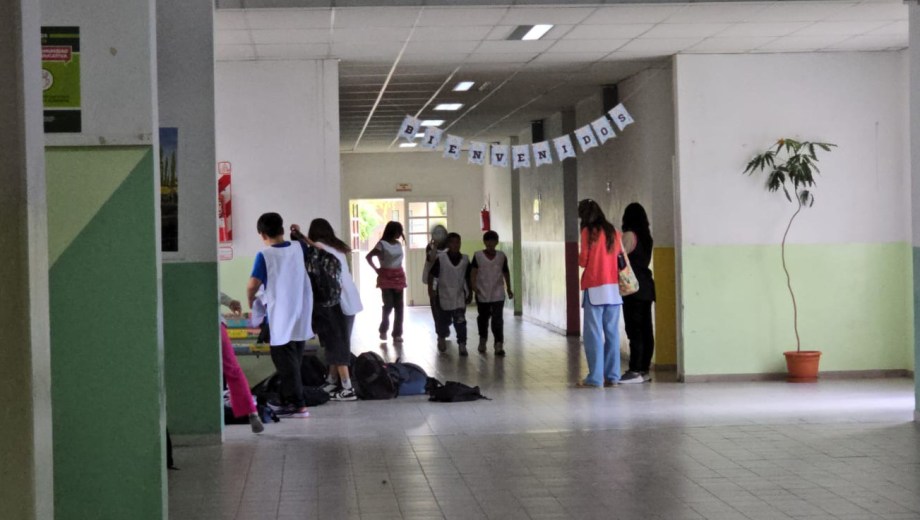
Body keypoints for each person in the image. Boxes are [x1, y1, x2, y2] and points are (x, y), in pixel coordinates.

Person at [247, 212, 313, 418]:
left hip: (280, 314)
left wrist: (251, 302)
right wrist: (298, 233)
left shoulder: (265, 255)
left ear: (262, 233)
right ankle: (288, 400)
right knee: (295, 358)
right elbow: (307, 245)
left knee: (285, 361)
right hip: (301, 311)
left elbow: (253, 285)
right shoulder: (298, 247)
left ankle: (297, 404)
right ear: (282, 230)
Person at [300, 218, 362, 401]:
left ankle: (347, 387)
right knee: (336, 342)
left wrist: (300, 236)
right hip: (349, 301)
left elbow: (314, 246)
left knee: (337, 344)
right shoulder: (337, 248)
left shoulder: (321, 247)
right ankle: (332, 380)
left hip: (336, 303)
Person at [576, 199, 623, 388]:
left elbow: (583, 261)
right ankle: (613, 376)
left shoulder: (588, 232)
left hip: (595, 288)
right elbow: (618, 256)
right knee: (612, 333)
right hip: (614, 290)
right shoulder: (614, 232)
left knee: (593, 334)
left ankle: (595, 378)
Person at [620, 203, 656, 384]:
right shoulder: (646, 237)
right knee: (646, 329)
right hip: (647, 286)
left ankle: (635, 369)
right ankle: (644, 369)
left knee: (634, 330)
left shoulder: (629, 236)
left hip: (632, 288)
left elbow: (619, 258)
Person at [219, 293, 264, 433]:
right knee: (233, 369)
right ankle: (252, 412)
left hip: (201, 325)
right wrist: (230, 301)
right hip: (217, 325)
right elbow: (214, 290)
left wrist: (230, 301)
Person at [470, 230, 513, 356]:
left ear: (496, 242)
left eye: (493, 241)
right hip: (482, 292)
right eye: (487, 240)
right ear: (484, 242)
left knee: (497, 319)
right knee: (483, 318)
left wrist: (509, 288)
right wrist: (473, 286)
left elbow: (506, 273)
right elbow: (473, 272)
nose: (490, 243)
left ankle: (498, 344)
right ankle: (482, 340)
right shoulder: (478, 256)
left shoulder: (501, 256)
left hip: (498, 293)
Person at [429, 232, 472, 356]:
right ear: (448, 244)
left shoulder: (465, 259)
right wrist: (431, 291)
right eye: (452, 242)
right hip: (444, 295)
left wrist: (470, 292)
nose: (455, 245)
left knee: (460, 321)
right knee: (443, 321)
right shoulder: (441, 259)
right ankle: (441, 337)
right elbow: (432, 275)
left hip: (459, 296)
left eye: (457, 242)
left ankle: (462, 344)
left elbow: (468, 277)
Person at [365, 221, 407, 343]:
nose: (400, 234)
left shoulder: (398, 244)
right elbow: (369, 256)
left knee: (399, 307)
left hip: (399, 276)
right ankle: (384, 328)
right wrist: (376, 269)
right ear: (392, 231)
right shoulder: (382, 244)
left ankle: (397, 334)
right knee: (388, 304)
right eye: (399, 231)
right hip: (386, 276)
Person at [422, 224, 450, 349]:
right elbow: (431, 259)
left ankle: (445, 327)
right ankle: (441, 335)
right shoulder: (430, 247)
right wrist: (435, 246)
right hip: (434, 282)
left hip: (448, 283)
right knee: (436, 308)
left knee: (447, 309)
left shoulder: (450, 247)